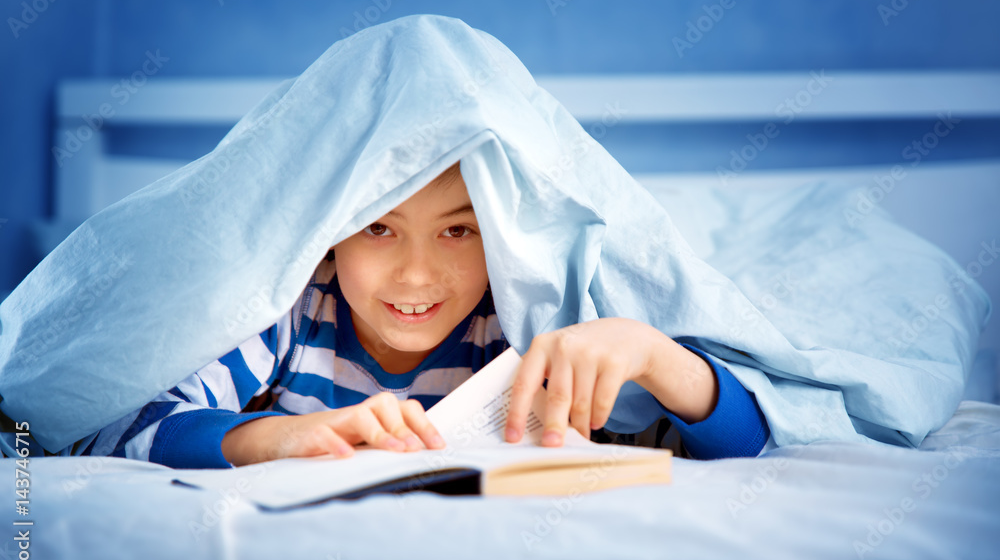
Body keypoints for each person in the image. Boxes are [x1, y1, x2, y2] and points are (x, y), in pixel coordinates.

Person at [85, 162, 769, 468]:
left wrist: (650, 351)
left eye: (457, 231)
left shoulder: (518, 323)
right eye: (378, 229)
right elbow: (127, 427)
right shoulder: (295, 309)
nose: (415, 276)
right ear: (328, 235)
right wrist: (270, 437)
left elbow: (742, 447)